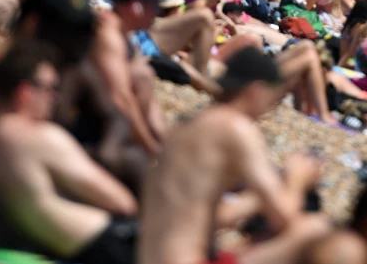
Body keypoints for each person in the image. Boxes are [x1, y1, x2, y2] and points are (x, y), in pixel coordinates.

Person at [139, 47, 332, 264]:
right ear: (256, 90)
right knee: (314, 228)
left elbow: (212, 216)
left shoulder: (189, 124)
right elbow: (284, 216)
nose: (272, 109)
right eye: (274, 99)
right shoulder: (235, 127)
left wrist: (259, 197)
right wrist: (297, 178)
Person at [0, 40, 140, 264]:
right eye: (51, 88)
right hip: (104, 246)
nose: (56, 97)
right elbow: (122, 202)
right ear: (25, 91)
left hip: (35, 247)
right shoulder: (37, 136)